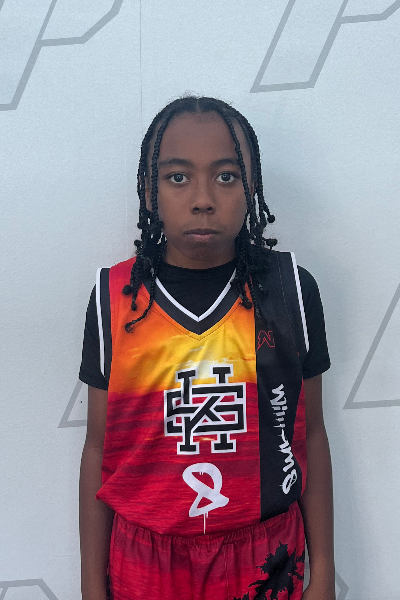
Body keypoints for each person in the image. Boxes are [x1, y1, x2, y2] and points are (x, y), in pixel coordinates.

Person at [79, 96, 335, 600]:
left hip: (264, 556)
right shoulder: (115, 298)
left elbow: (311, 434)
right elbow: (97, 447)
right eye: (178, 177)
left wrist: (324, 568)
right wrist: (91, 583)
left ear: (252, 187)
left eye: (225, 176)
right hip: (145, 560)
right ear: (149, 190)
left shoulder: (290, 290)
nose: (202, 199)